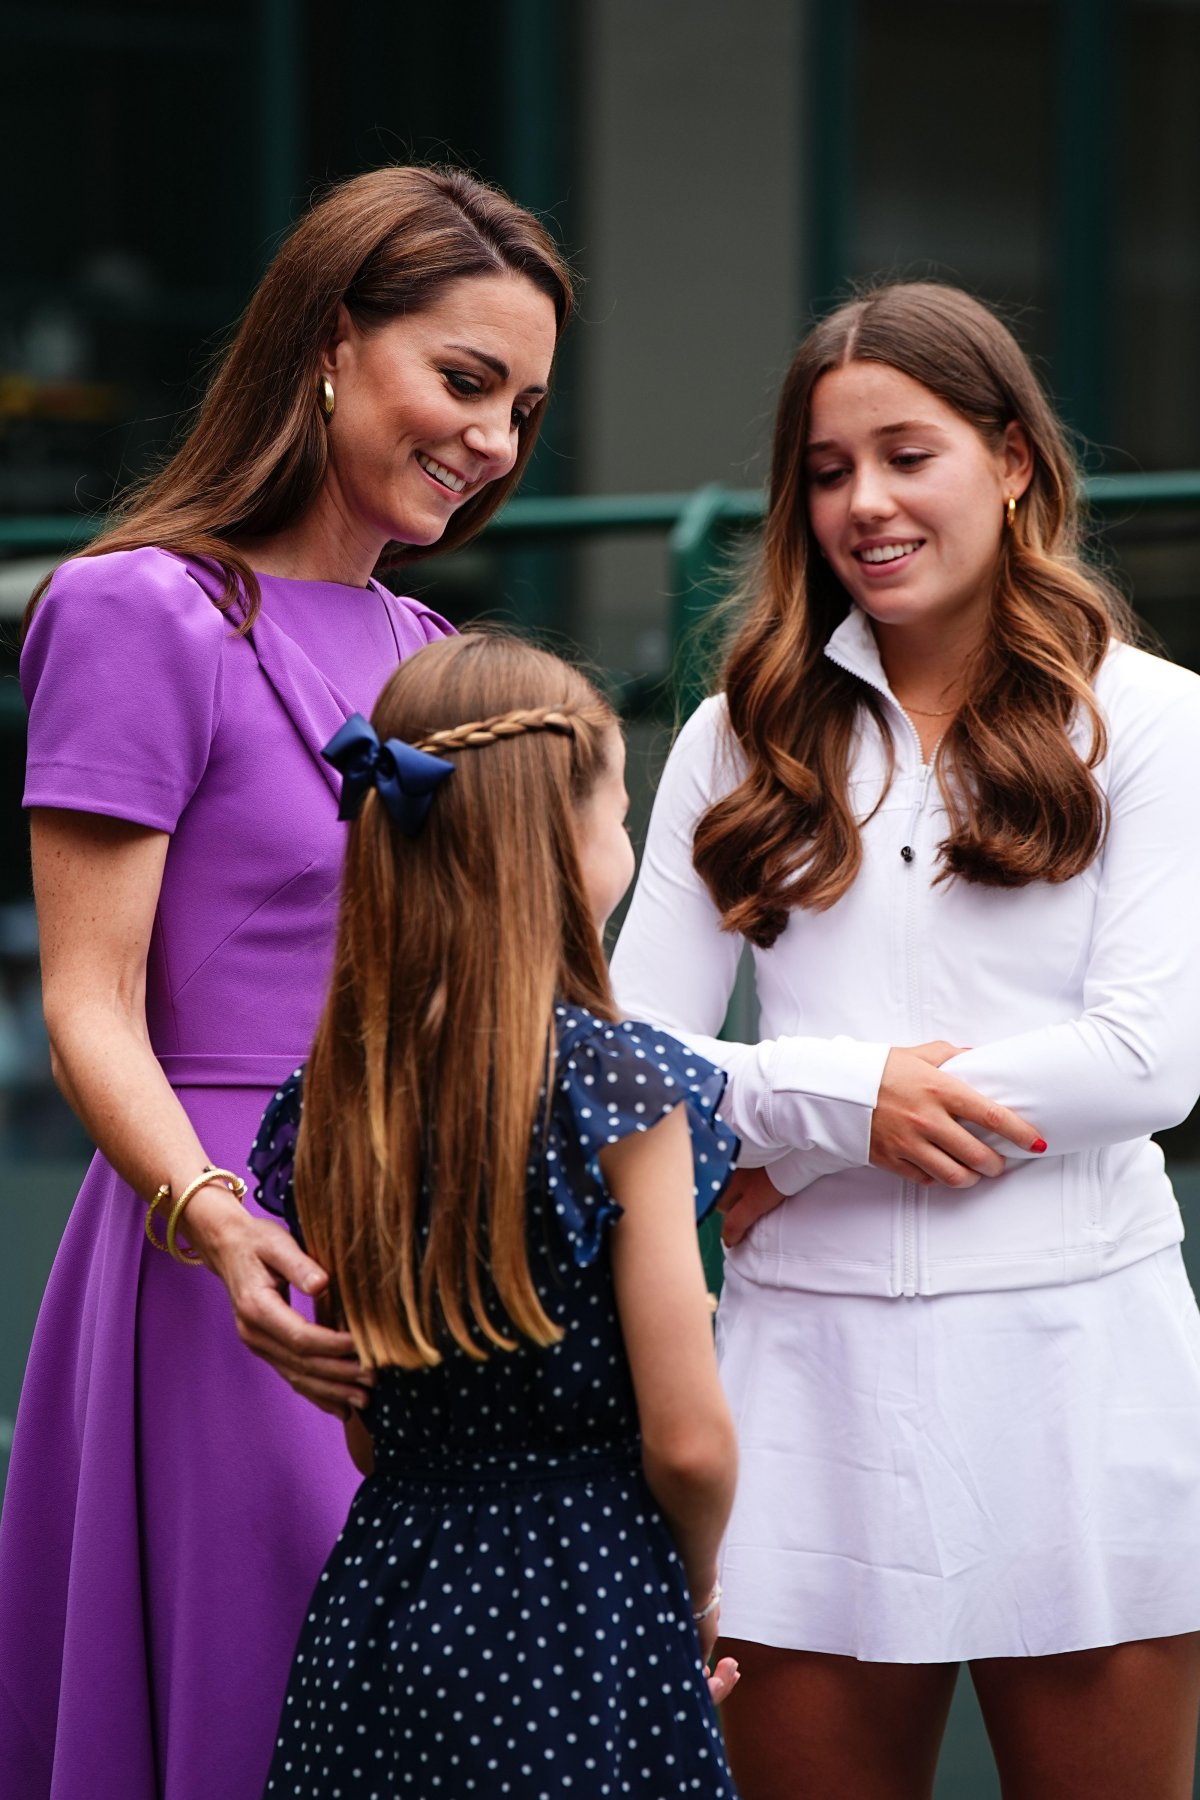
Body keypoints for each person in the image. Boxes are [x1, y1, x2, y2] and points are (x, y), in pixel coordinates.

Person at [0, 165, 572, 1800]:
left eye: (523, 408)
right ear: (329, 340)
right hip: (234, 1251)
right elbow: (92, 1003)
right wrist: (213, 1217)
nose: (494, 442)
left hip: (432, 1240)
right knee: (267, 1699)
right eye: (464, 382)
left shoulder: (426, 641)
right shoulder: (140, 610)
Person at [611, 280, 1200, 1800]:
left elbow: (1146, 1062)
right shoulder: (733, 734)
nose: (863, 502)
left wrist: (793, 1156)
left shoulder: (1151, 719)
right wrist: (830, 1101)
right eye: (824, 469)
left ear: (1011, 461)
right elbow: (613, 1061)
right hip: (807, 1382)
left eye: (907, 454)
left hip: (1082, 1368)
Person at [245, 630, 741, 1796]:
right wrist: (698, 1594)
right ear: (563, 844)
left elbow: (370, 1426)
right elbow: (689, 1440)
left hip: (380, 1611)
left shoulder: (331, 1102)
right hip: (584, 1601)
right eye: (619, 813)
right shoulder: (624, 1090)